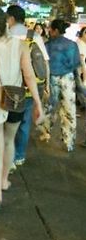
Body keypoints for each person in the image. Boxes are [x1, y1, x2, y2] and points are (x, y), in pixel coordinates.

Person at [0, 8, 43, 211]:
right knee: (8, 140)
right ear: (6, 22)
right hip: (15, 100)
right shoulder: (21, 45)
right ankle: (4, 180)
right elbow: (29, 75)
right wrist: (37, 103)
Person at [6, 5, 50, 167]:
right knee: (24, 122)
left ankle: (7, 159)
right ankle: (19, 155)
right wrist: (47, 85)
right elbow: (45, 63)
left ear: (10, 18)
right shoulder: (34, 36)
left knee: (8, 123)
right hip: (31, 88)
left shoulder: (6, 35)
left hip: (10, 86)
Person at [38, 19, 80, 152]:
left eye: (50, 29)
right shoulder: (72, 45)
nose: (49, 31)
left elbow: (43, 64)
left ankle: (46, 133)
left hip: (52, 79)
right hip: (68, 78)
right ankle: (69, 141)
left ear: (55, 30)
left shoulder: (47, 45)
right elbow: (76, 63)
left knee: (49, 107)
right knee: (69, 110)